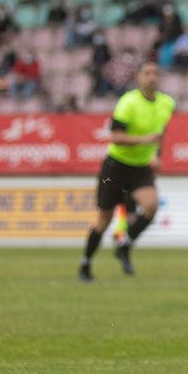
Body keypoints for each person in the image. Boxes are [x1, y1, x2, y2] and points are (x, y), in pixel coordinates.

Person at [78, 60, 175, 282]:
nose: (152, 77)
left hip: (140, 168)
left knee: (150, 206)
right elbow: (115, 137)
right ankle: (86, 262)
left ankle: (124, 244)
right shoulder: (128, 103)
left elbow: (161, 133)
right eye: (147, 73)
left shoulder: (167, 103)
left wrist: (156, 154)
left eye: (156, 73)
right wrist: (145, 140)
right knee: (104, 218)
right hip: (116, 166)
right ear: (139, 77)